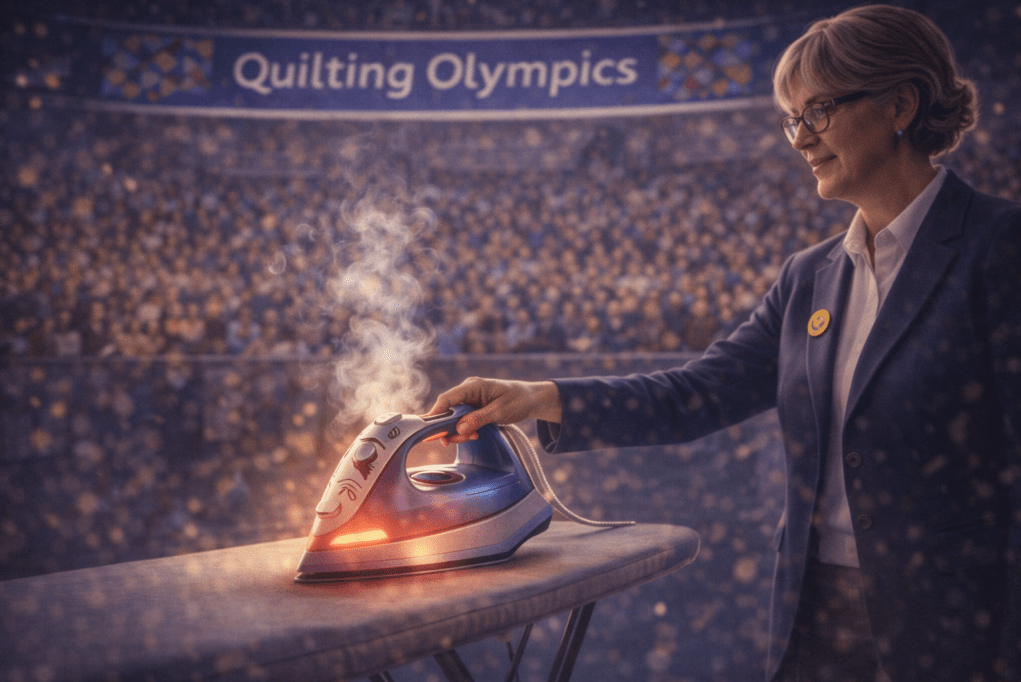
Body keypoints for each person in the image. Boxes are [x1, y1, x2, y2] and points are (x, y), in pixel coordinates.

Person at [427, 6, 1020, 682]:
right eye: (791, 119)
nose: (799, 138)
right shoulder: (809, 277)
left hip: (957, 632)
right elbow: (697, 393)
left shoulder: (999, 250)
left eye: (817, 111)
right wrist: (536, 396)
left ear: (899, 104)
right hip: (815, 620)